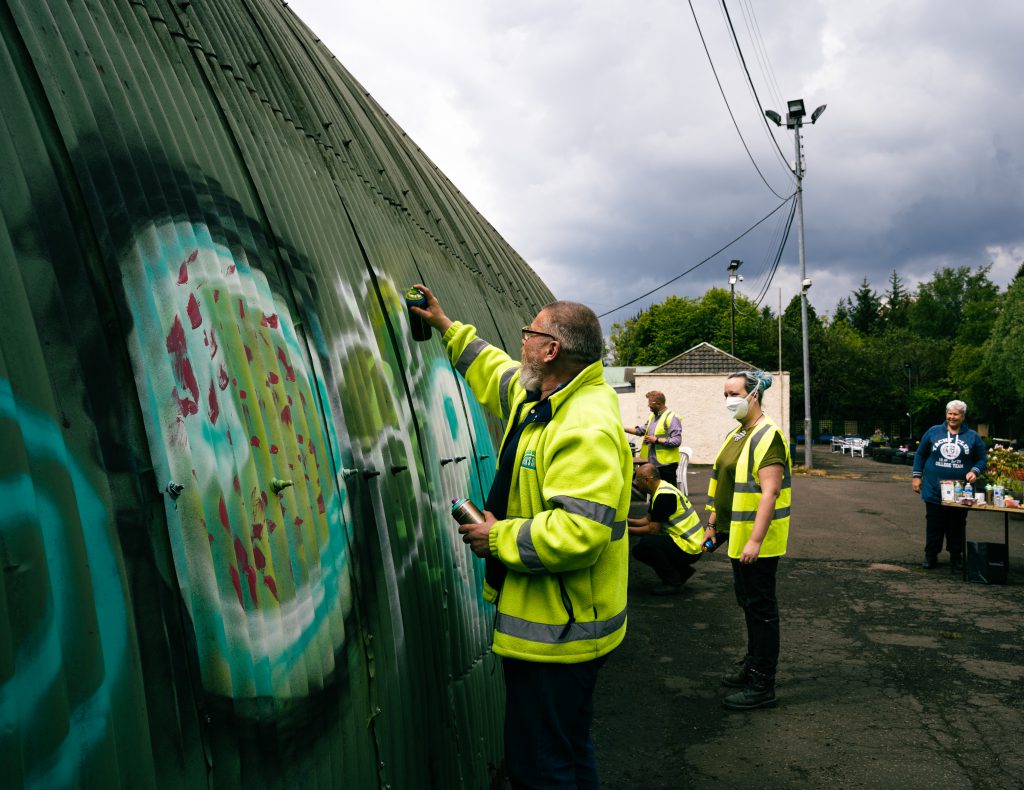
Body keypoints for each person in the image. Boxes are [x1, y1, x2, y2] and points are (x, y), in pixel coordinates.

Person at [410, 284, 631, 789]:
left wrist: (498, 538)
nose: (521, 340)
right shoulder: (546, 395)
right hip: (560, 624)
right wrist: (445, 325)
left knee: (539, 766)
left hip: (560, 632)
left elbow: (580, 530)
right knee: (569, 750)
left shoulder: (585, 424)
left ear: (550, 350)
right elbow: (494, 371)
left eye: (529, 333)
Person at [703, 370, 791, 711]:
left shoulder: (768, 435)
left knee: (761, 611)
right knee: (749, 606)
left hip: (758, 542)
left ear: (753, 395)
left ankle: (762, 684)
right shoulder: (738, 434)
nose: (729, 400)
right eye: (725, 394)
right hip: (736, 537)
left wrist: (755, 540)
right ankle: (752, 665)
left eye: (734, 393)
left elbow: (769, 492)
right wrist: (713, 524)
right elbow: (723, 483)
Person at [912, 400, 987, 572]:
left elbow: (982, 458)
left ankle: (956, 557)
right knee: (934, 524)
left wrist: (975, 471)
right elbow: (921, 454)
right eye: (949, 413)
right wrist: (916, 476)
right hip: (934, 488)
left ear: (963, 416)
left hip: (960, 491)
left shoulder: (972, 436)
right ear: (946, 414)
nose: (952, 417)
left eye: (956, 414)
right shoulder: (934, 431)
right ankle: (930, 556)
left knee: (957, 525)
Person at [627, 463, 703, 594]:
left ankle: (674, 583)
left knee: (646, 544)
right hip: (687, 541)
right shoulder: (659, 490)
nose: (636, 485)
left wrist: (625, 530)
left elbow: (652, 529)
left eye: (637, 480)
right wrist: (626, 521)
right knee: (640, 548)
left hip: (690, 546)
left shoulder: (664, 495)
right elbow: (647, 520)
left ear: (647, 480)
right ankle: (682, 571)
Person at [625, 391, 683, 483]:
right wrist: (621, 428)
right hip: (653, 464)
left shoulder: (672, 417)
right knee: (656, 493)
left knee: (667, 494)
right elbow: (640, 430)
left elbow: (676, 441)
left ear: (659, 403)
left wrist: (656, 440)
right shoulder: (652, 417)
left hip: (666, 466)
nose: (648, 406)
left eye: (650, 404)